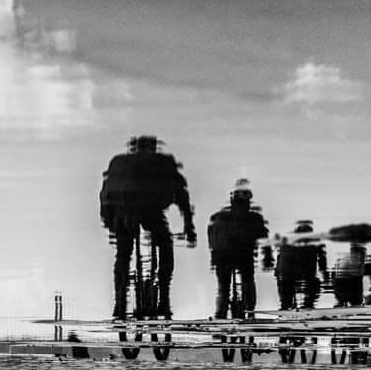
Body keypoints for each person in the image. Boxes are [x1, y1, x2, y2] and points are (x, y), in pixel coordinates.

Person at [98, 136, 195, 319]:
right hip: (151, 212)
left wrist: (108, 221)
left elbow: (106, 193)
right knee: (165, 245)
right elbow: (181, 193)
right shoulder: (163, 162)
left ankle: (119, 300)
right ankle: (164, 295)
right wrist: (189, 225)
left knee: (123, 254)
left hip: (124, 213)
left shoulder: (119, 162)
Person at [206, 180, 269, 319]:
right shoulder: (255, 218)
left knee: (223, 288)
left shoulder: (218, 217)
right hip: (243, 256)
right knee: (248, 282)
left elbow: (212, 239)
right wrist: (267, 257)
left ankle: (220, 314)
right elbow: (264, 238)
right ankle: (250, 311)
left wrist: (213, 257)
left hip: (222, 257)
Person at [274, 222, 329, 311]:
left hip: (286, 271)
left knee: (286, 286)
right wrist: (324, 271)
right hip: (299, 270)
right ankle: (308, 304)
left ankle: (286, 306)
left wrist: (277, 271)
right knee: (313, 283)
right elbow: (322, 256)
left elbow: (280, 257)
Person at [330, 241, 371, 307]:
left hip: (341, 292)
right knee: (362, 273)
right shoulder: (363, 263)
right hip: (352, 291)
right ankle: (352, 302)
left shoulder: (342, 260)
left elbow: (333, 275)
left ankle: (341, 302)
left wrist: (337, 295)